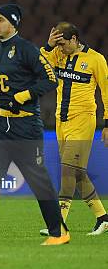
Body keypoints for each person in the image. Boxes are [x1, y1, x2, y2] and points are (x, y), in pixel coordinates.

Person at [0, 4, 68, 246]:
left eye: (1, 19)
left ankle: (59, 232)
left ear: (13, 23)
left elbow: (50, 80)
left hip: (25, 126)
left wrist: (23, 96)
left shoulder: (27, 49)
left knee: (38, 180)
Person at [38, 22, 108, 236]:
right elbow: (38, 67)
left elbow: (107, 92)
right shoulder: (58, 55)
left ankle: (59, 223)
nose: (61, 48)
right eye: (57, 44)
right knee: (77, 173)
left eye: (63, 43)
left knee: (68, 169)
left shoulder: (95, 59)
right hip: (62, 120)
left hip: (83, 120)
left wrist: (107, 123)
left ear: (75, 39)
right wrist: (48, 47)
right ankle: (103, 218)